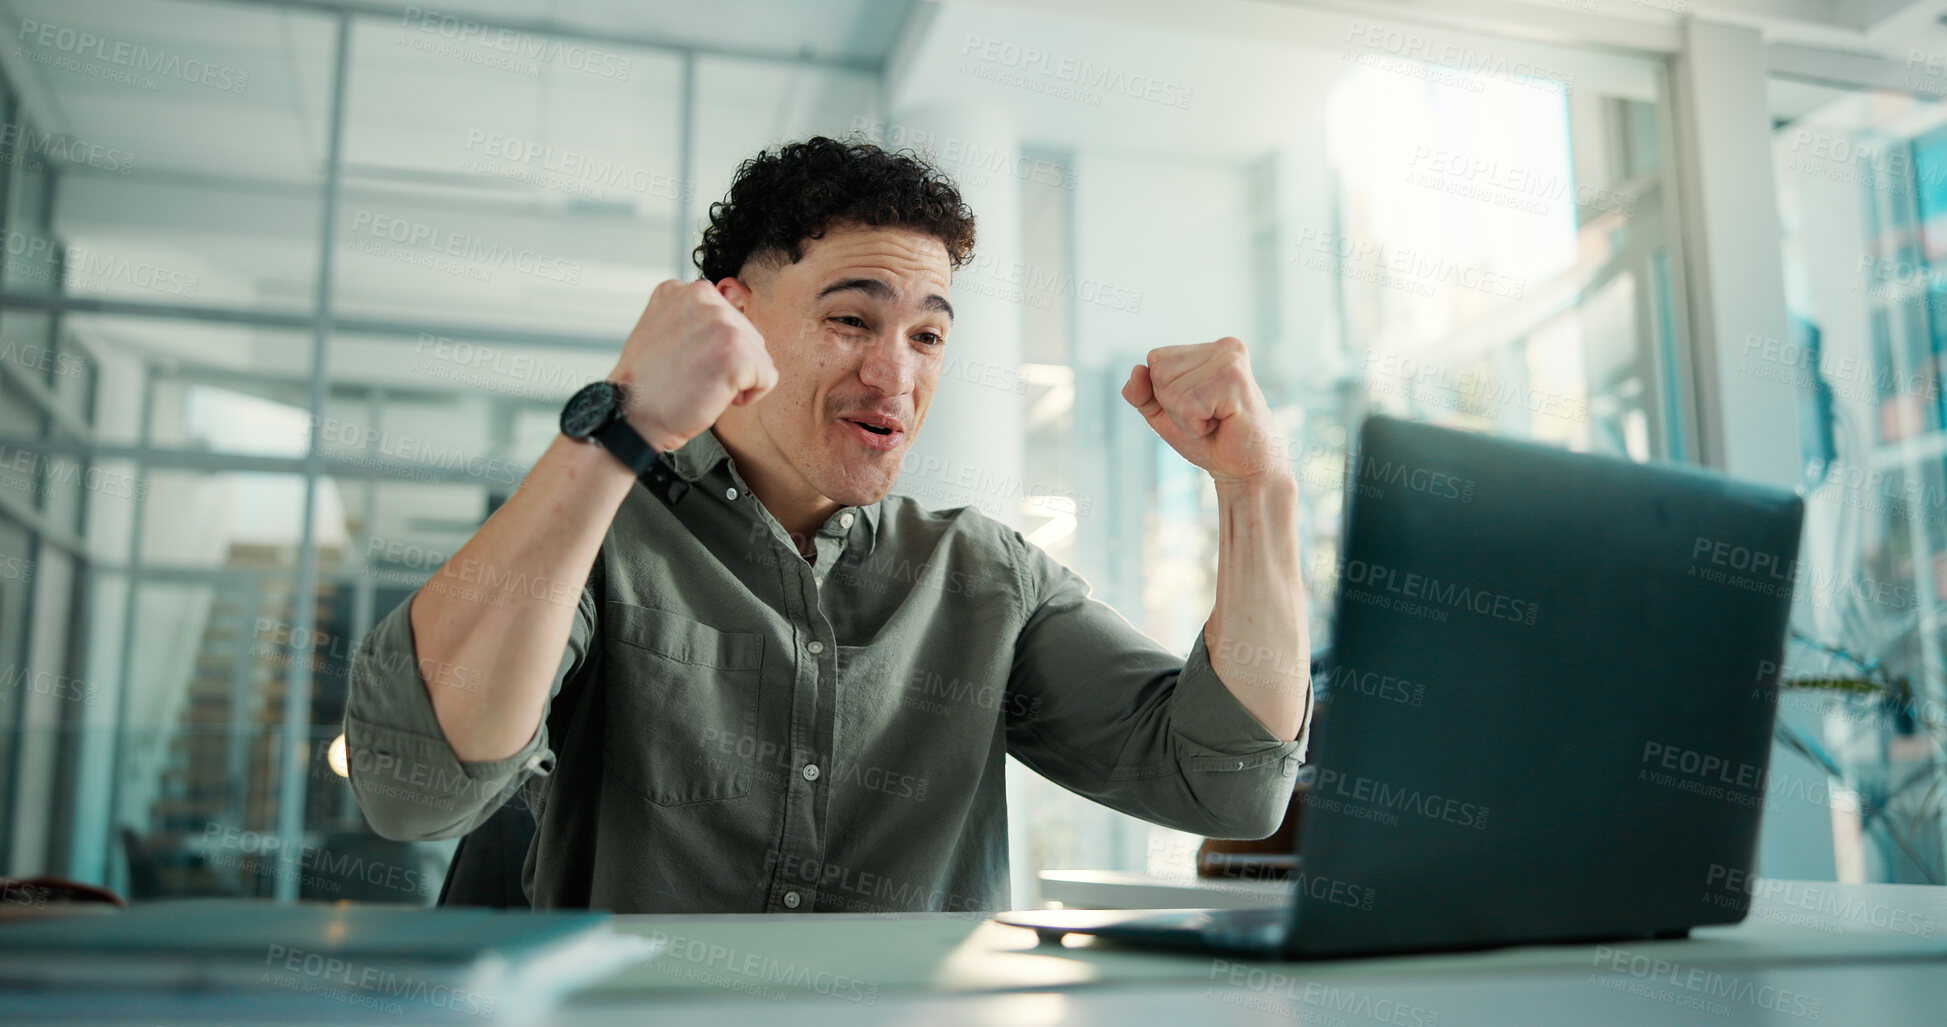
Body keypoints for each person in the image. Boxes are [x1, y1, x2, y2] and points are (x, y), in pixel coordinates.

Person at [345, 136, 1313, 913]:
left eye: (929, 334)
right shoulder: (600, 535)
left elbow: (1225, 786)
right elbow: (415, 788)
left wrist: (1256, 490)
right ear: (732, 315)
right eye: (853, 319)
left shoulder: (981, 574)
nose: (897, 374)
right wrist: (623, 418)